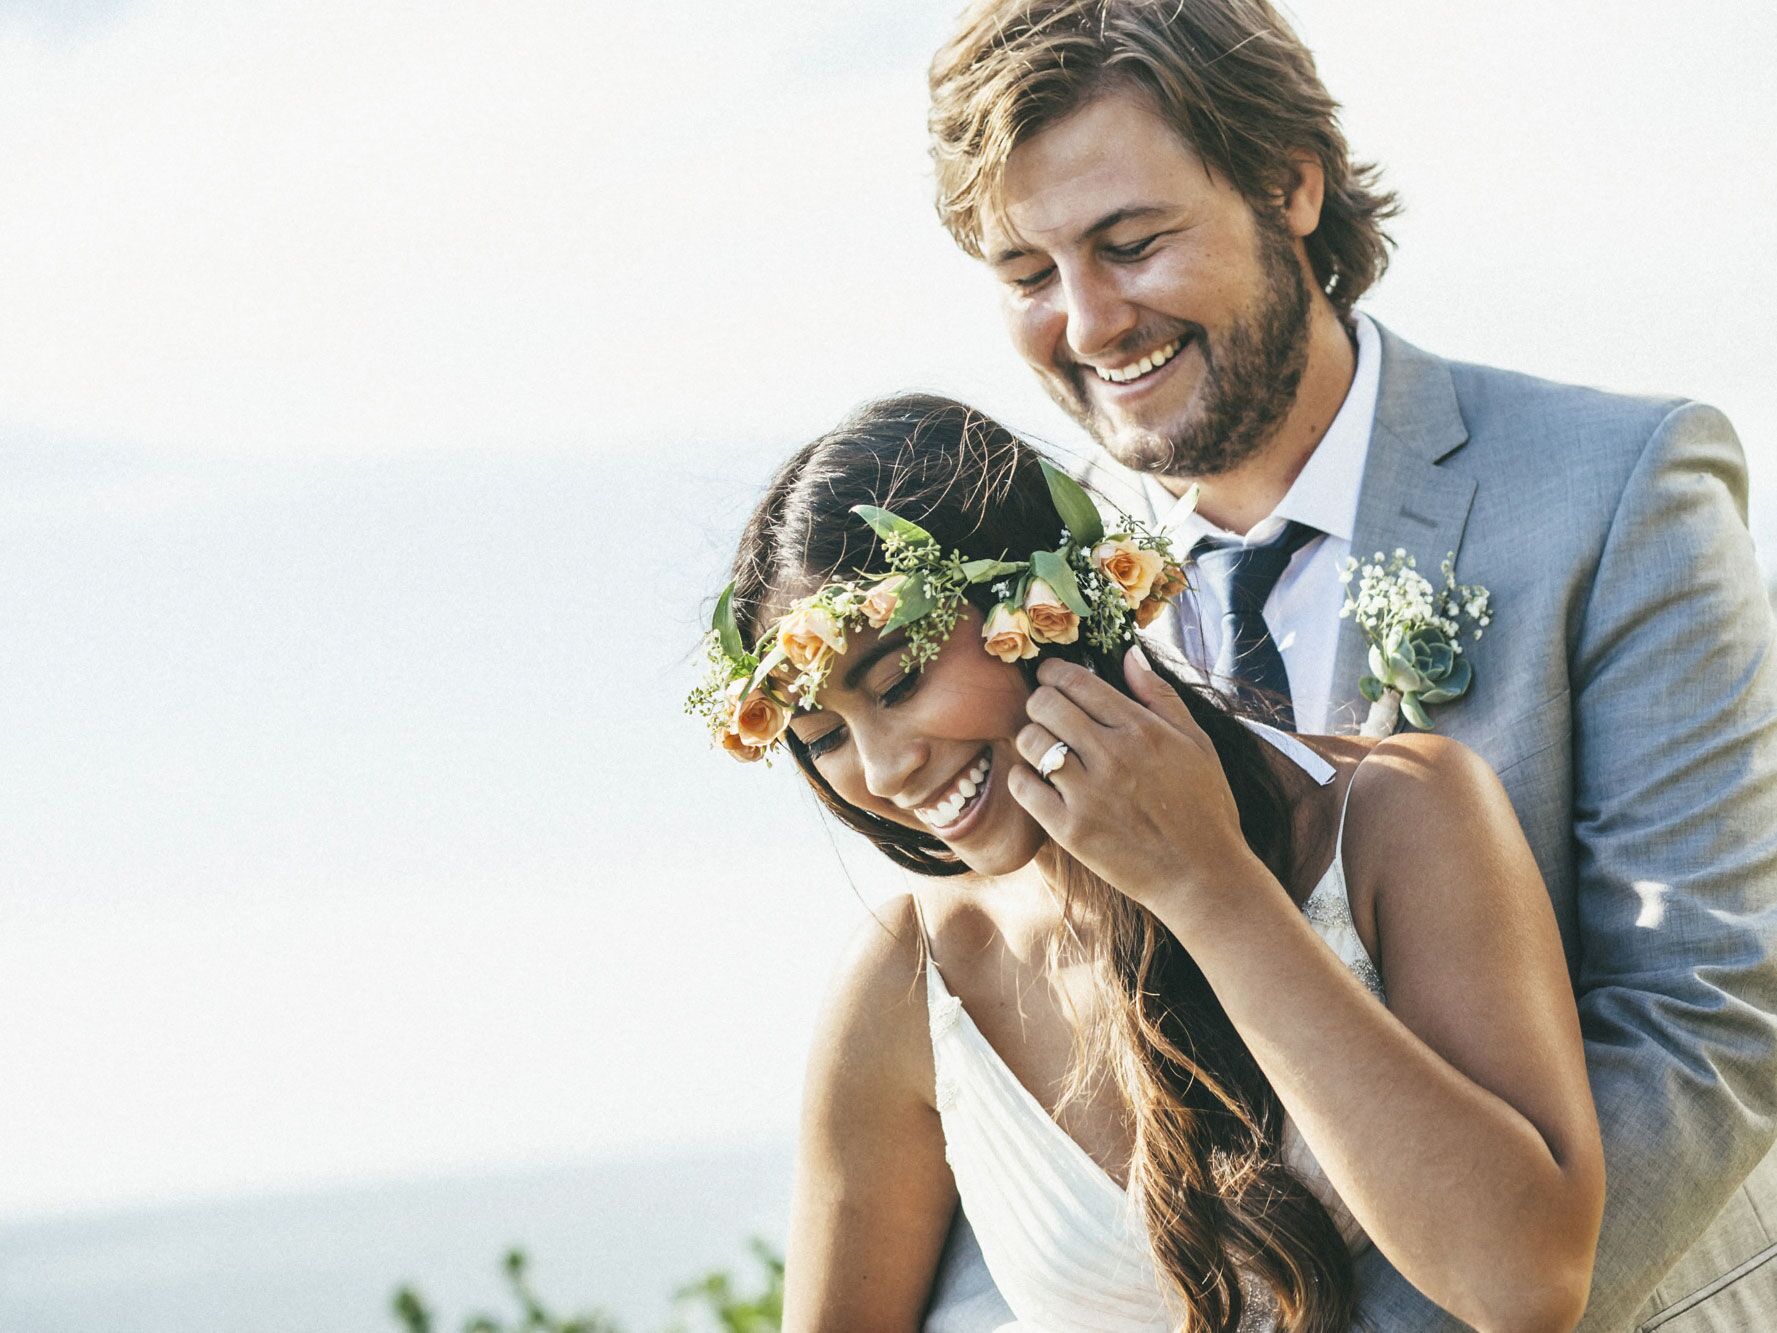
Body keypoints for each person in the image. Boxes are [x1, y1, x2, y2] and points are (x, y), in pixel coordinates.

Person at [923, 1, 1777, 1328]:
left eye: (1130, 243)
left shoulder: (1621, 489)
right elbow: (1023, 1090)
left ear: (1290, 184)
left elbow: (1703, 1020)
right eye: (1028, 274)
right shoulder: (1049, 607)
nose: (1088, 322)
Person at [695, 395, 1604, 1330]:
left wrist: (1206, 888)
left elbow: (1525, 1282)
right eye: (818, 737)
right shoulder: (909, 976)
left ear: (1039, 604)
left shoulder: (1393, 811)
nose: (883, 769)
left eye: (899, 681)